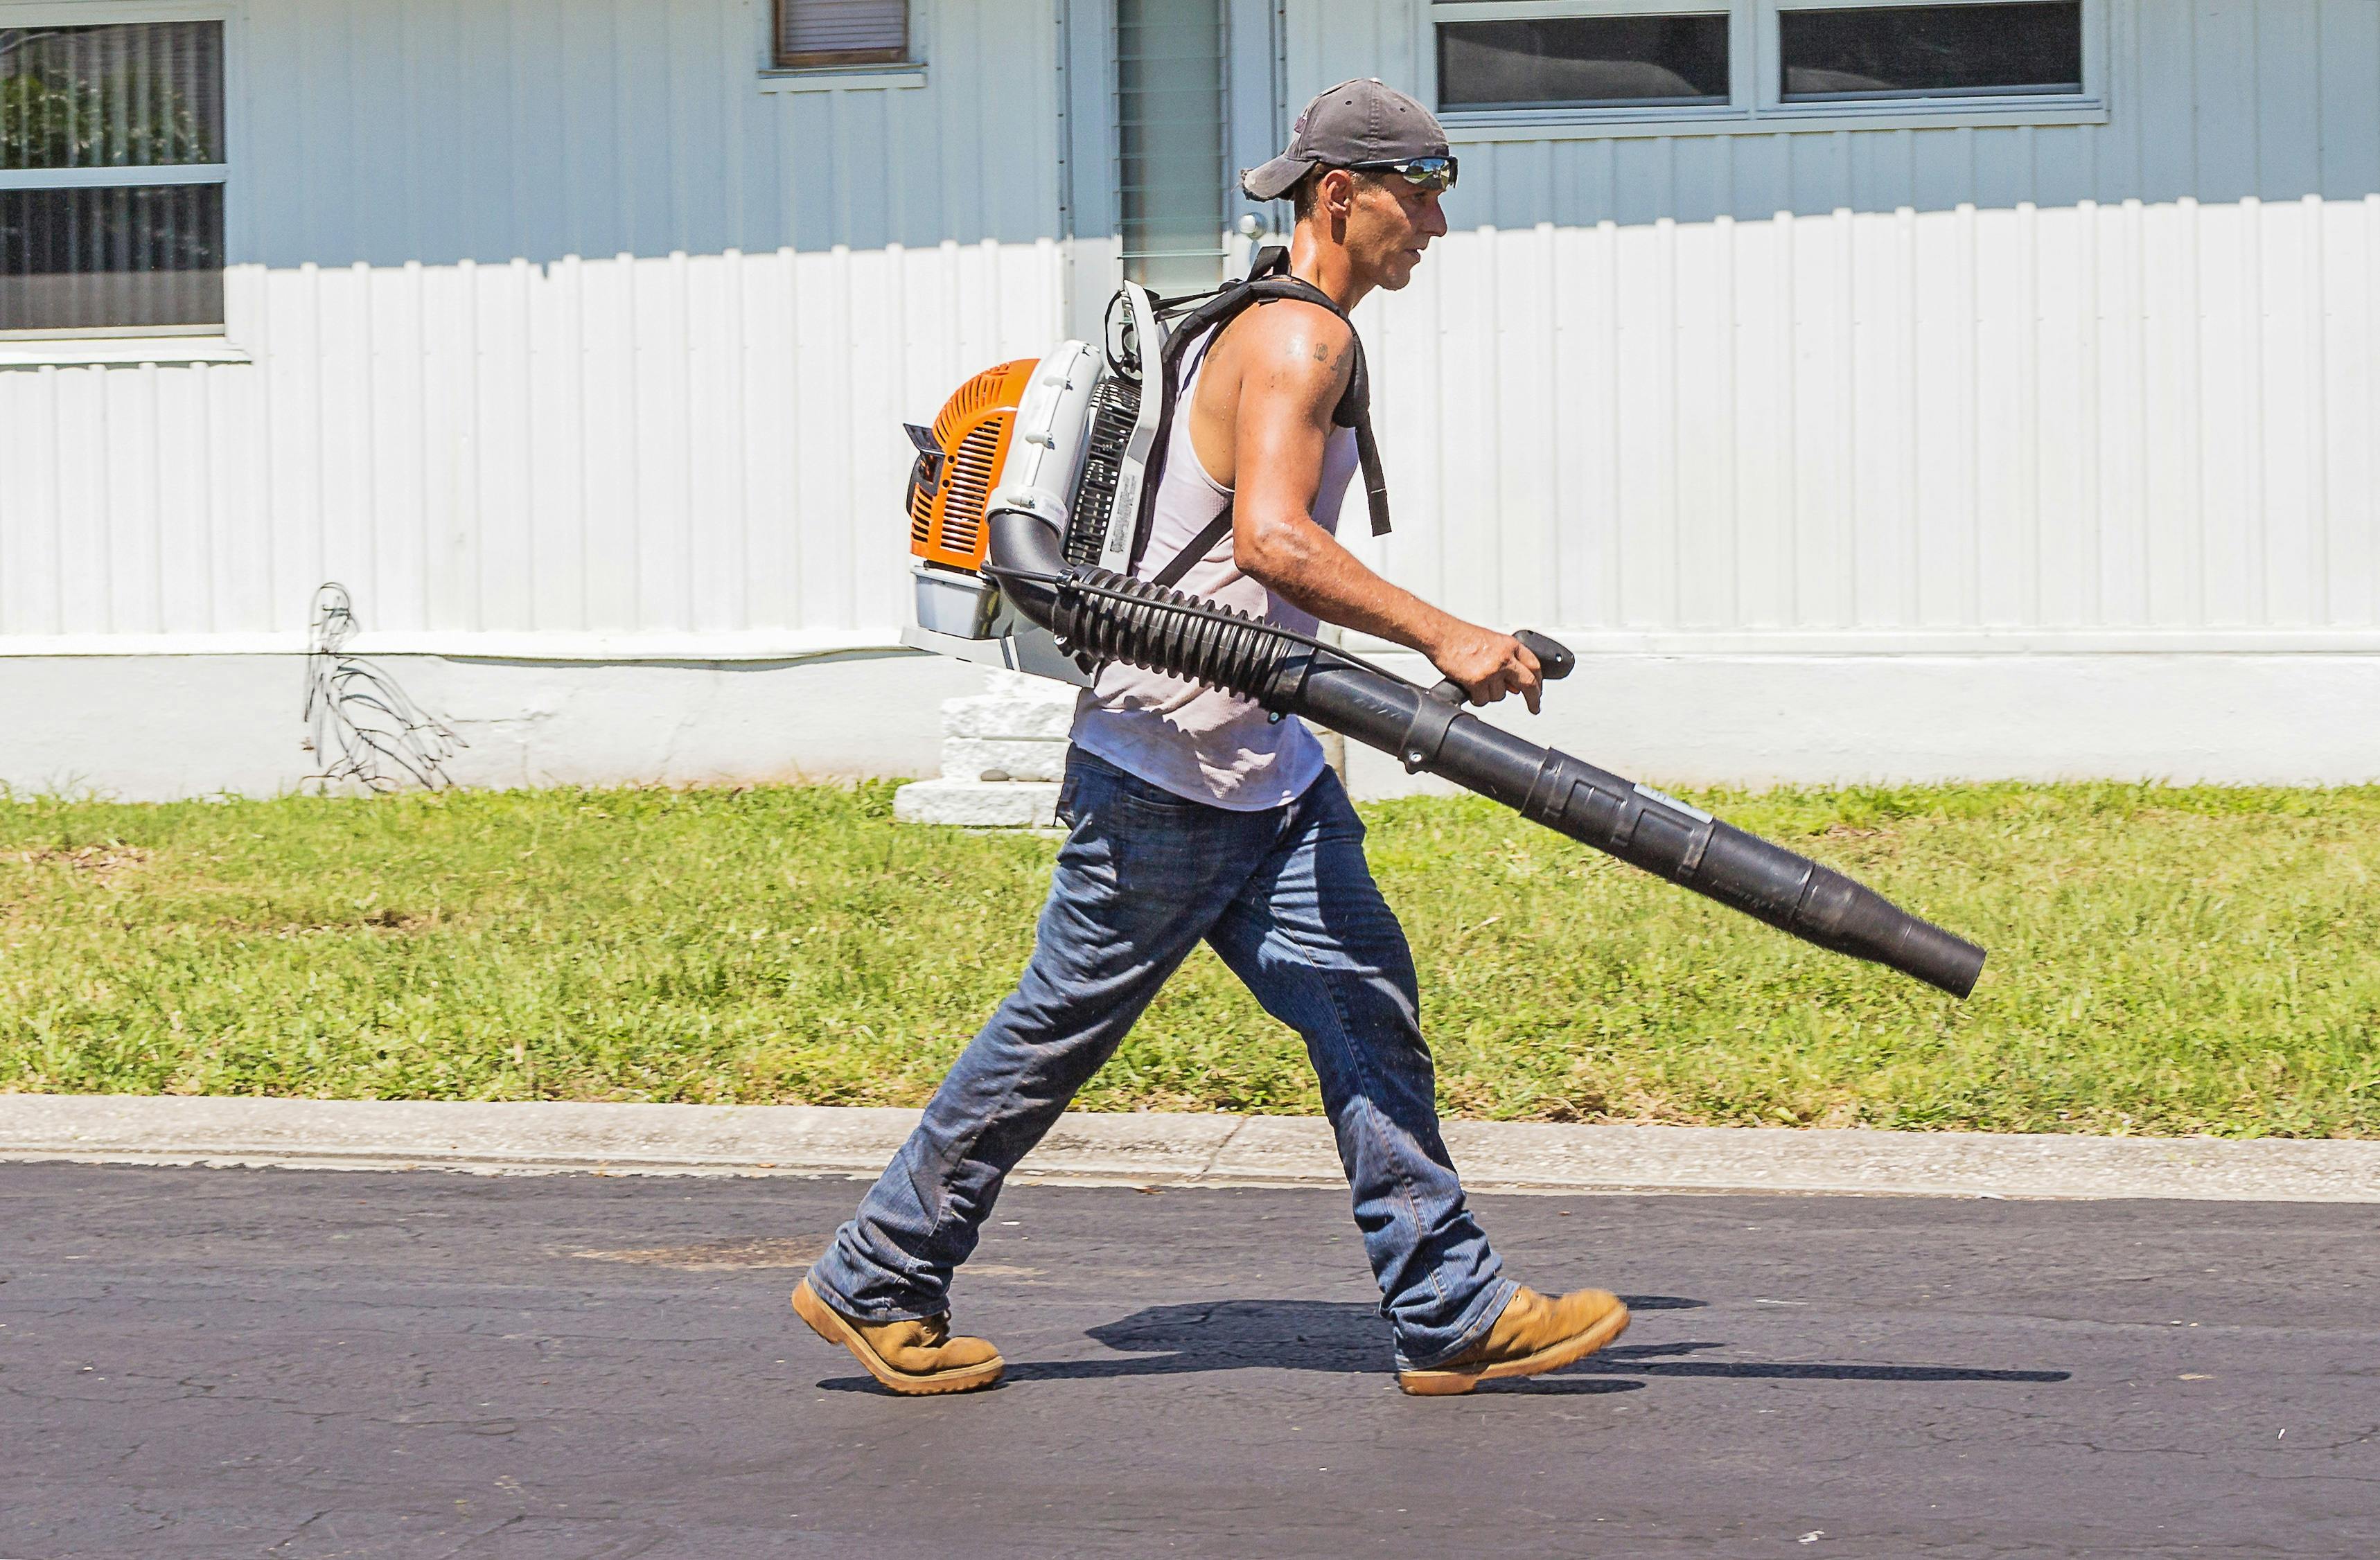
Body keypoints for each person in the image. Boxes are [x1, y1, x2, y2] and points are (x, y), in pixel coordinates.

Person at [793, 80, 1628, 1398]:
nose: (1437, 228)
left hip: (1260, 762)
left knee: (1366, 1006)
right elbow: (1275, 543)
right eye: (1421, 196)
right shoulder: (1301, 341)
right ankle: (879, 1271)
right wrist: (1448, 637)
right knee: (1053, 1032)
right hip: (1171, 767)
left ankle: (1450, 1306)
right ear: (1340, 196)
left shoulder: (1247, 321)